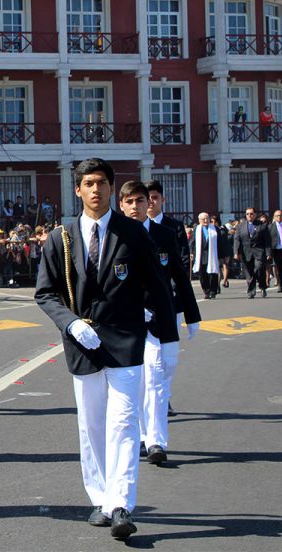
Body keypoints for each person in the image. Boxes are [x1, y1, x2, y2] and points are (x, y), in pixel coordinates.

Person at [35, 158, 179, 541]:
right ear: (77, 189)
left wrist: (165, 337)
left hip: (127, 342)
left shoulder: (132, 233)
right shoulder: (60, 238)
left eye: (101, 182)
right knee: (93, 426)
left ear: (112, 188)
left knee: (123, 425)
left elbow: (157, 286)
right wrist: (71, 323)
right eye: (88, 183)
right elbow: (45, 293)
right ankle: (99, 497)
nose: (95, 190)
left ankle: (121, 505)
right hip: (83, 345)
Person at [118, 181, 200, 467]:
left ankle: (156, 441)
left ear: (148, 204)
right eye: (129, 201)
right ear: (121, 205)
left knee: (156, 379)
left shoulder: (164, 235)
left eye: (141, 201)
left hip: (159, 319)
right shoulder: (114, 235)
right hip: (126, 321)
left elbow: (179, 275)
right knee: (136, 382)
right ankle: (143, 435)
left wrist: (192, 314)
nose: (136, 206)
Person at [144, 180, 190, 276]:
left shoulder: (175, 226)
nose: (151, 201)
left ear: (163, 200)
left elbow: (184, 256)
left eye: (155, 197)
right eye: (147, 198)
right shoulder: (137, 226)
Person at [234, 207, 270, 298]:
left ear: (255, 215)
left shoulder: (262, 225)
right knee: (249, 272)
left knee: (259, 268)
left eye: (251, 214)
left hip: (259, 251)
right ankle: (251, 291)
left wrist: (268, 253)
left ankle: (262, 286)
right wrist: (236, 252)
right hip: (246, 252)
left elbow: (267, 240)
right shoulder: (240, 226)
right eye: (247, 214)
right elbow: (237, 240)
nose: (249, 215)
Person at [193, 212, 220, 299]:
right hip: (201, 255)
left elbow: (221, 242)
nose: (205, 220)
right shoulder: (196, 230)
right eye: (203, 219)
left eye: (207, 218)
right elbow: (191, 243)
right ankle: (206, 291)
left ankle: (213, 291)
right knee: (202, 274)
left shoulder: (215, 229)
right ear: (199, 220)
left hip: (212, 254)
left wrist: (222, 255)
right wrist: (191, 253)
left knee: (212, 274)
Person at [213, 216, 232, 289]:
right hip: (217, 250)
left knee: (225, 264)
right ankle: (217, 284)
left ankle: (225, 280)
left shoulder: (223, 228)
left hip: (225, 249)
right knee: (218, 267)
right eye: (212, 222)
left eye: (215, 222)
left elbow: (231, 233)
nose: (214, 223)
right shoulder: (211, 229)